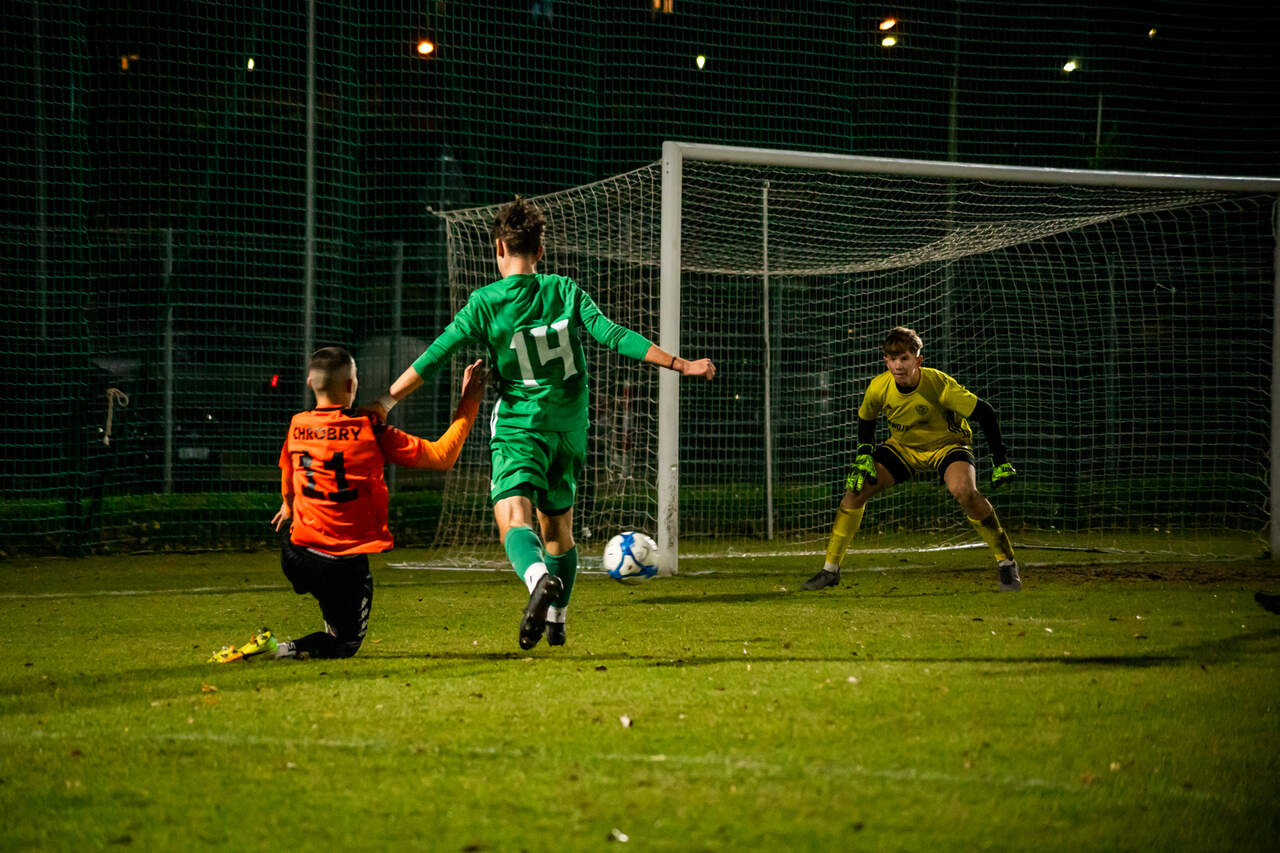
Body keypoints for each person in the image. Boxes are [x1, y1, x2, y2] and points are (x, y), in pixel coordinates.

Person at [363, 196, 716, 650]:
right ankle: (557, 619)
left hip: (520, 428)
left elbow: (434, 356)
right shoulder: (565, 291)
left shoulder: (485, 303)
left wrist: (385, 402)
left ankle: (537, 580)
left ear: (498, 248)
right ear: (540, 250)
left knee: (513, 516)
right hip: (568, 430)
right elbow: (613, 335)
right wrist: (681, 364)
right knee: (558, 528)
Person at [209, 346, 486, 662]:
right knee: (345, 644)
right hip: (340, 564)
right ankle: (274, 651)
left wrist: (287, 505)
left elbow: (288, 474)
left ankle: (328, 620)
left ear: (310, 383)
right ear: (352, 385)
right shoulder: (371, 431)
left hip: (295, 554)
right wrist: (470, 400)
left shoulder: (298, 424)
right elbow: (443, 456)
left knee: (332, 600)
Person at [803, 326, 1021, 593]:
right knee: (855, 491)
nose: (898, 365)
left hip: (947, 445)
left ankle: (1006, 562)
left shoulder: (939, 385)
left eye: (904, 358)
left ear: (918, 360)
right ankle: (830, 570)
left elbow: (985, 412)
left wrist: (1000, 459)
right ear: (885, 361)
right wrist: (864, 455)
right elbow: (866, 418)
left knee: (964, 492)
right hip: (904, 448)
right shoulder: (879, 387)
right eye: (893, 359)